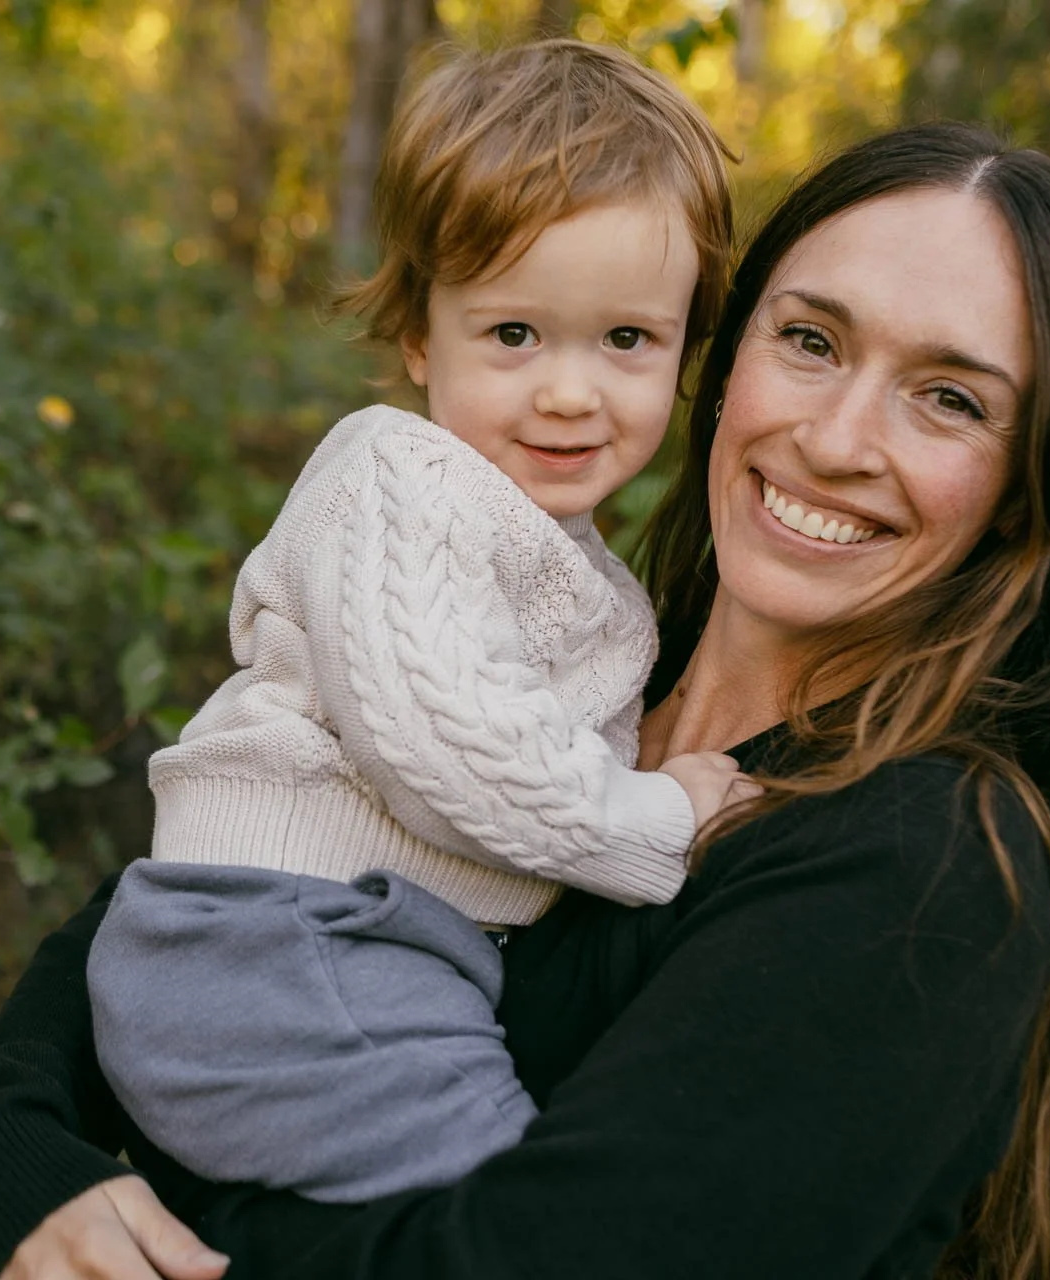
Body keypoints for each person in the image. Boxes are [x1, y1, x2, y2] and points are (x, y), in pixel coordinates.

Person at [0, 120, 1050, 1280]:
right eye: (810, 340)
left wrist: (154, 1216)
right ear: (726, 355)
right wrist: (12, 1163)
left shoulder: (926, 859)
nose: (836, 441)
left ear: (1033, 483)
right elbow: (199, 886)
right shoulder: (577, 671)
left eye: (948, 398)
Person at [84, 37, 745, 1210]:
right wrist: (664, 815)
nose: (569, 391)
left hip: (360, 949)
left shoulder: (571, 559)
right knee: (517, 1220)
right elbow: (459, 750)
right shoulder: (400, 480)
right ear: (417, 336)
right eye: (513, 333)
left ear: (685, 348)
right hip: (281, 943)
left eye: (626, 339)